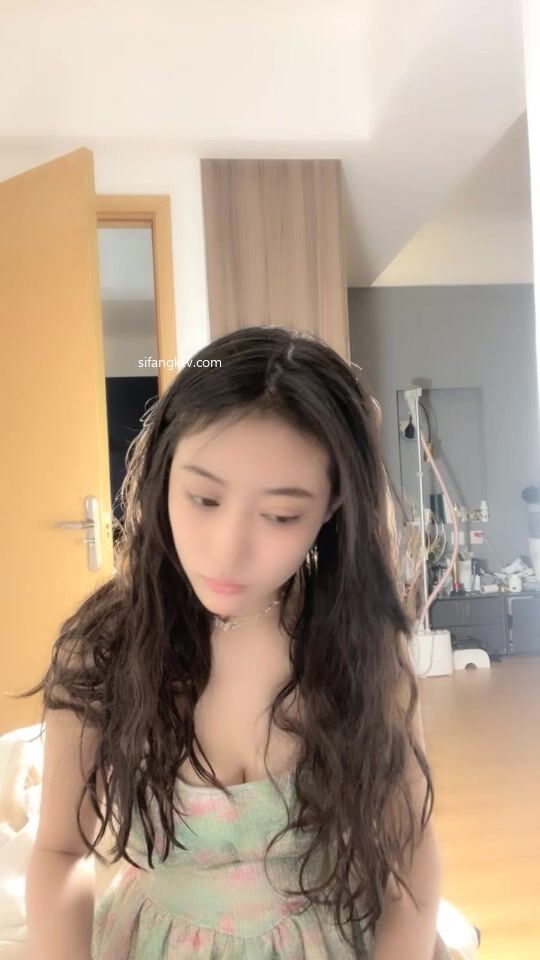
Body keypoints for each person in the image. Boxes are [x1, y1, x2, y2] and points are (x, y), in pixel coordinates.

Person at [20, 326, 451, 959]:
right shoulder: (103, 648)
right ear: (164, 472)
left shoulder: (357, 646)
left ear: (333, 506)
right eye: (203, 498)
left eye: (280, 515)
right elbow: (61, 850)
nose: (227, 548)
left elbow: (408, 861)